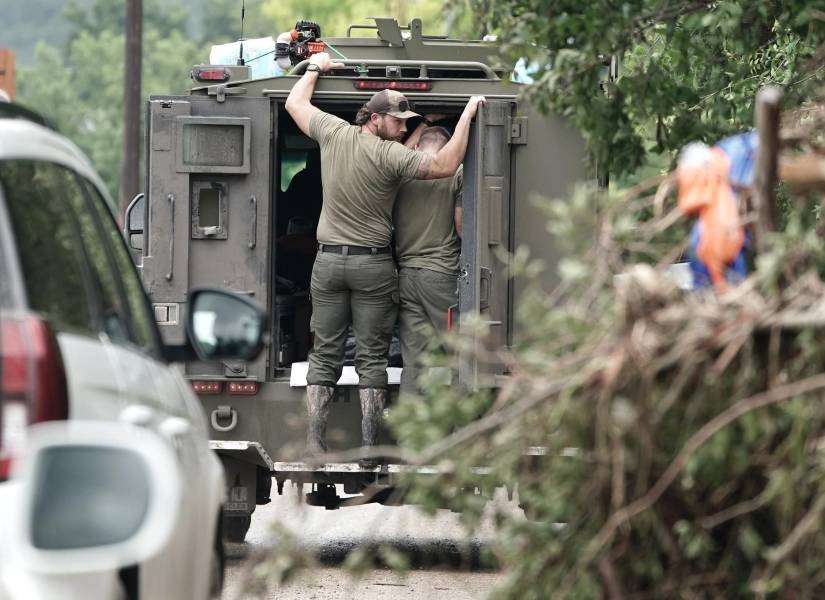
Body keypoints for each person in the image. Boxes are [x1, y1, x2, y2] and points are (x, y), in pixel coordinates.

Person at [285, 52, 484, 466]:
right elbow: (446, 164)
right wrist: (465, 115)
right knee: (371, 358)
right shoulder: (390, 158)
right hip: (373, 266)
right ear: (375, 119)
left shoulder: (334, 132)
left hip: (327, 263)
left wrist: (316, 68)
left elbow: (294, 104)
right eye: (398, 120)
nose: (403, 126)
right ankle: (371, 448)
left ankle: (314, 443)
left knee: (325, 352)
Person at [393, 126, 463, 395]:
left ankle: (410, 435)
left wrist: (420, 126)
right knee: (459, 355)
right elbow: (462, 228)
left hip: (407, 278)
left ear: (417, 149)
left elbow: (398, 154)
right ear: (445, 150)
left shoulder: (400, 178)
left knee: (413, 363)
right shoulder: (454, 175)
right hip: (441, 278)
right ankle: (461, 430)